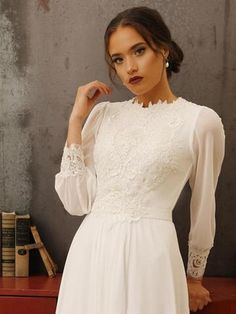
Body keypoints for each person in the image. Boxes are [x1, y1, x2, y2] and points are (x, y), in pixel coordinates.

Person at [54, 6, 225, 314]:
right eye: (118, 59)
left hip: (151, 261)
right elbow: (76, 203)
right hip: (90, 258)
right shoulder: (104, 115)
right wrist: (76, 121)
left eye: (139, 50)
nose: (129, 67)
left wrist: (194, 277)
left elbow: (204, 205)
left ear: (164, 49)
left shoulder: (200, 122)